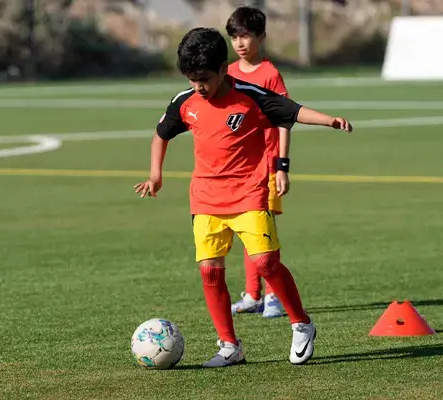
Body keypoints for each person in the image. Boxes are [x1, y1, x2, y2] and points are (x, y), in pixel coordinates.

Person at [134, 27, 352, 368]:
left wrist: (330, 121)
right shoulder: (184, 102)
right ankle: (230, 346)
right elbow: (161, 135)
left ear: (224, 69)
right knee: (210, 272)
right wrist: (156, 174)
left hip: (249, 193)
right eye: (191, 79)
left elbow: (292, 111)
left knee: (266, 263)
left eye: (204, 78)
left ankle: (302, 323)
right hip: (205, 198)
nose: (198, 87)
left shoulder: (251, 95)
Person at [226, 5, 289, 319]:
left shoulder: (269, 74)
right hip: (239, 168)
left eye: (246, 36)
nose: (240, 43)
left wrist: (282, 166)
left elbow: (285, 119)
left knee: (265, 231)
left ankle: (275, 295)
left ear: (261, 37)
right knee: (245, 230)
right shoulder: (227, 73)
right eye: (235, 36)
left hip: (266, 164)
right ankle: (253, 294)